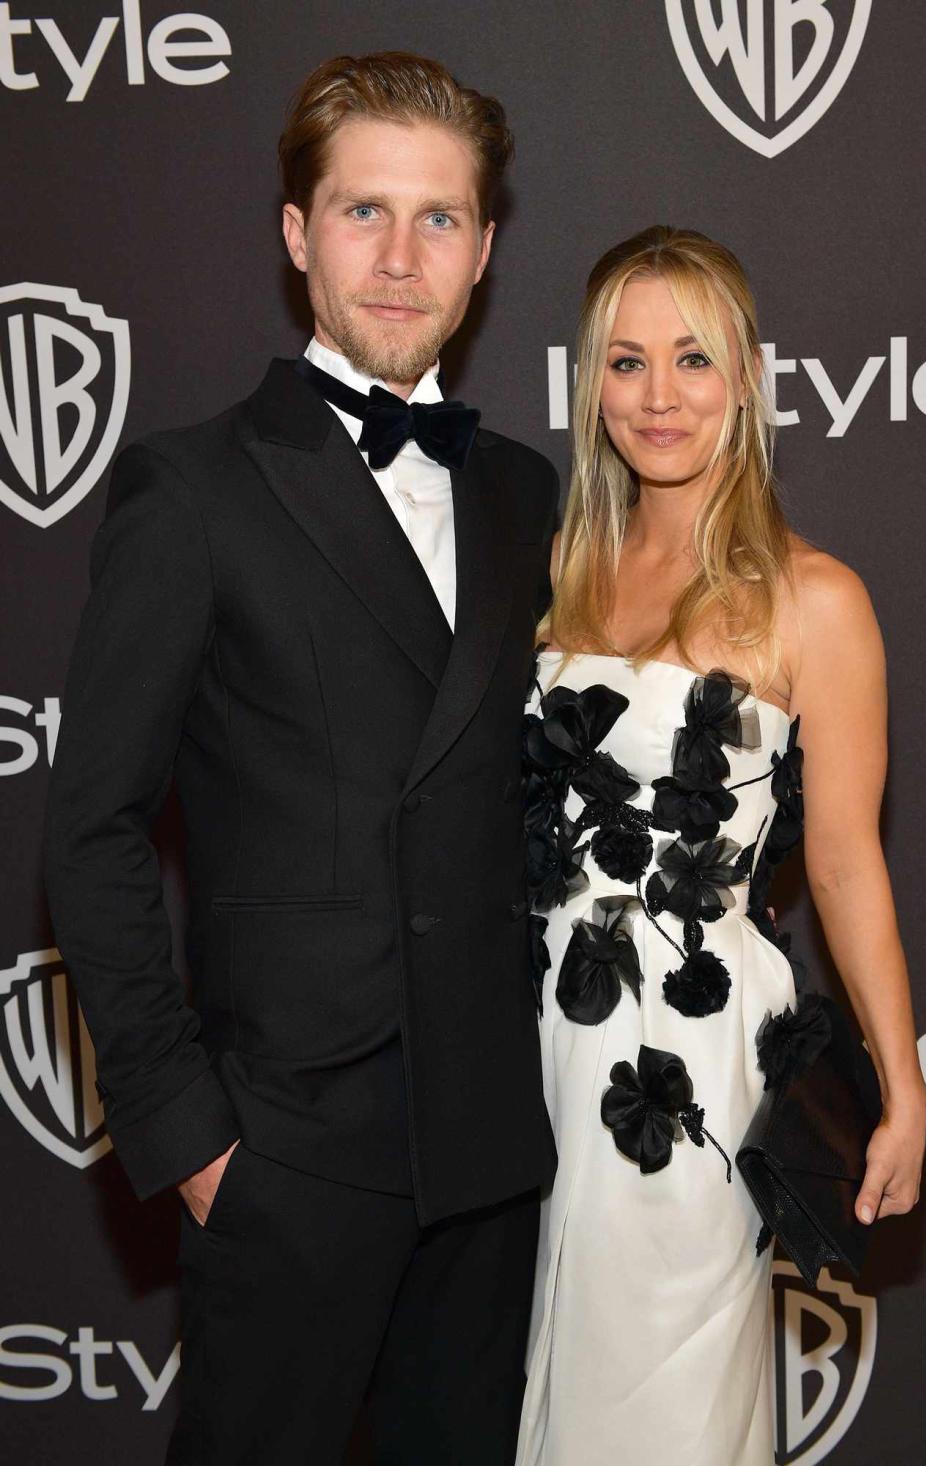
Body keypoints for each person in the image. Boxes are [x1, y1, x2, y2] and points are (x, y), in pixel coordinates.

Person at [43, 52, 558, 1465]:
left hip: (493, 1152)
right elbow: (89, 830)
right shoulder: (192, 488)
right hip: (288, 1152)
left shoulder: (524, 491)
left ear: (486, 249)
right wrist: (192, 1136)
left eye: (439, 218)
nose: (400, 259)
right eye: (363, 213)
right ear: (295, 233)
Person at [515, 225, 926, 1466]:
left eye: (692, 358)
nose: (658, 396)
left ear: (747, 375)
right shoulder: (554, 569)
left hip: (682, 1058)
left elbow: (848, 861)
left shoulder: (818, 599)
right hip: (524, 1030)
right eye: (626, 360)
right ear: (590, 381)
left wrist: (902, 1086)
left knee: (662, 1393)